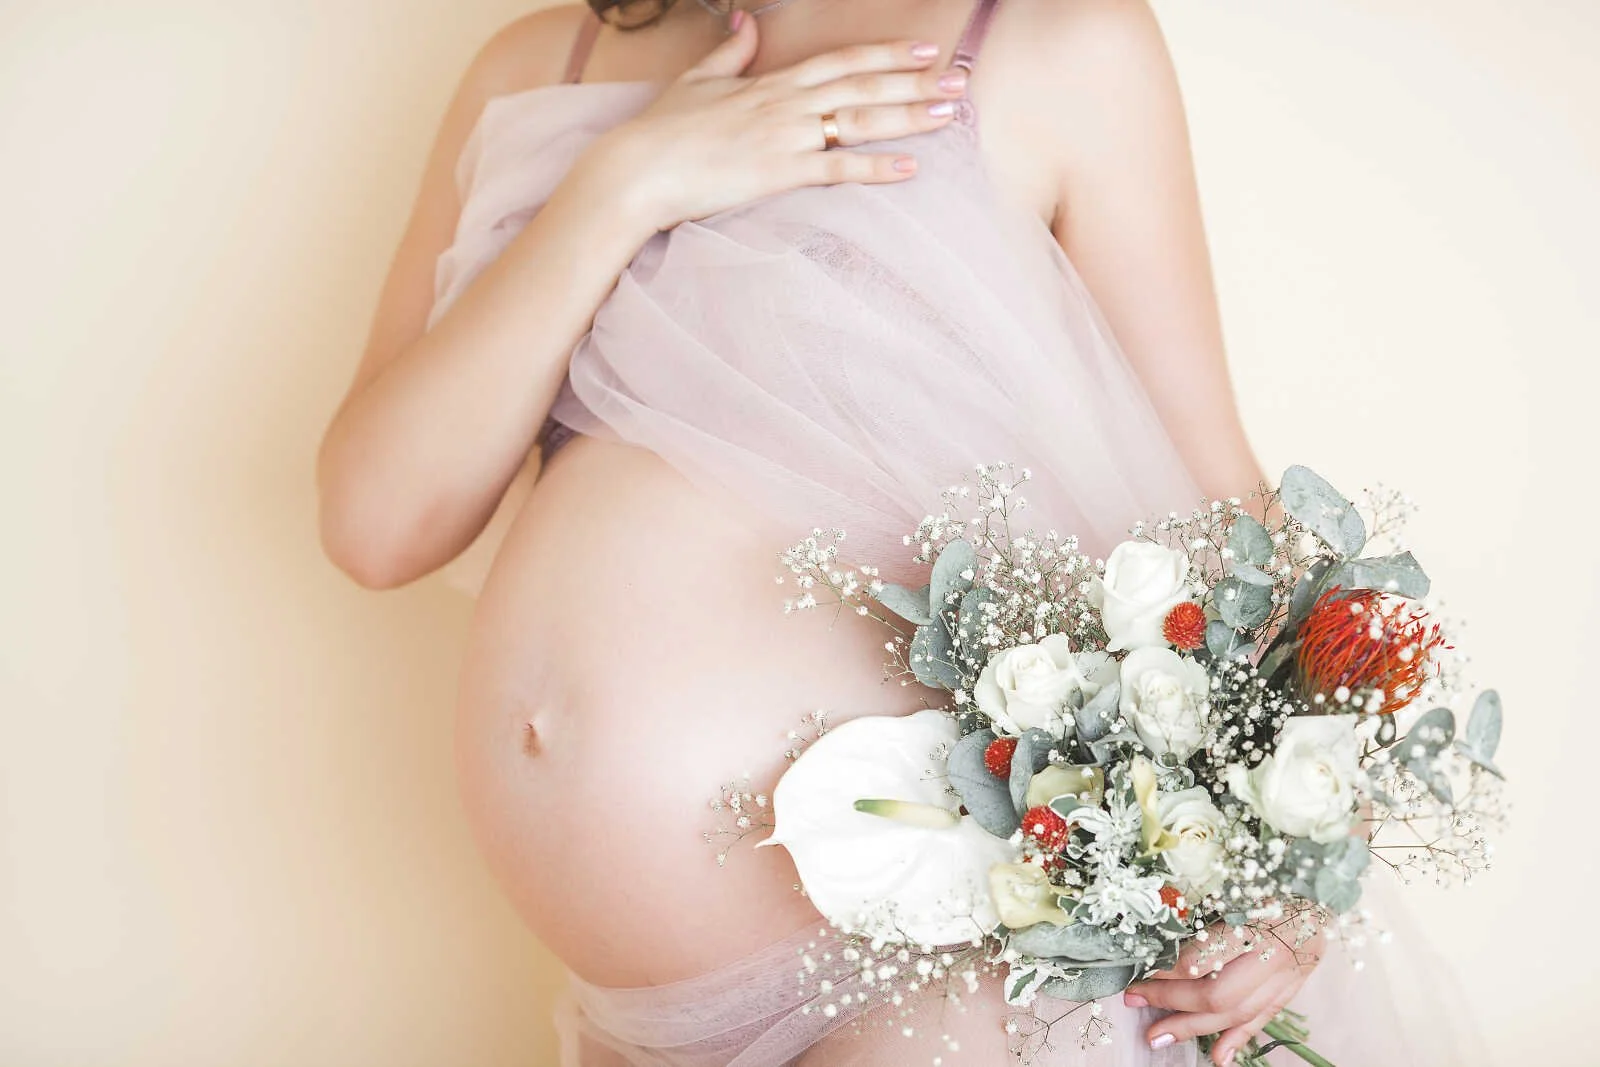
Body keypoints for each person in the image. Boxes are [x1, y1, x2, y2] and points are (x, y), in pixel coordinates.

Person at [317, 1, 1475, 1063]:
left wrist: (1300, 854)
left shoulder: (1051, 41)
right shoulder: (535, 68)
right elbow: (378, 525)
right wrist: (625, 181)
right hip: (630, 1011)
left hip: (940, 971)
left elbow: (1221, 498)